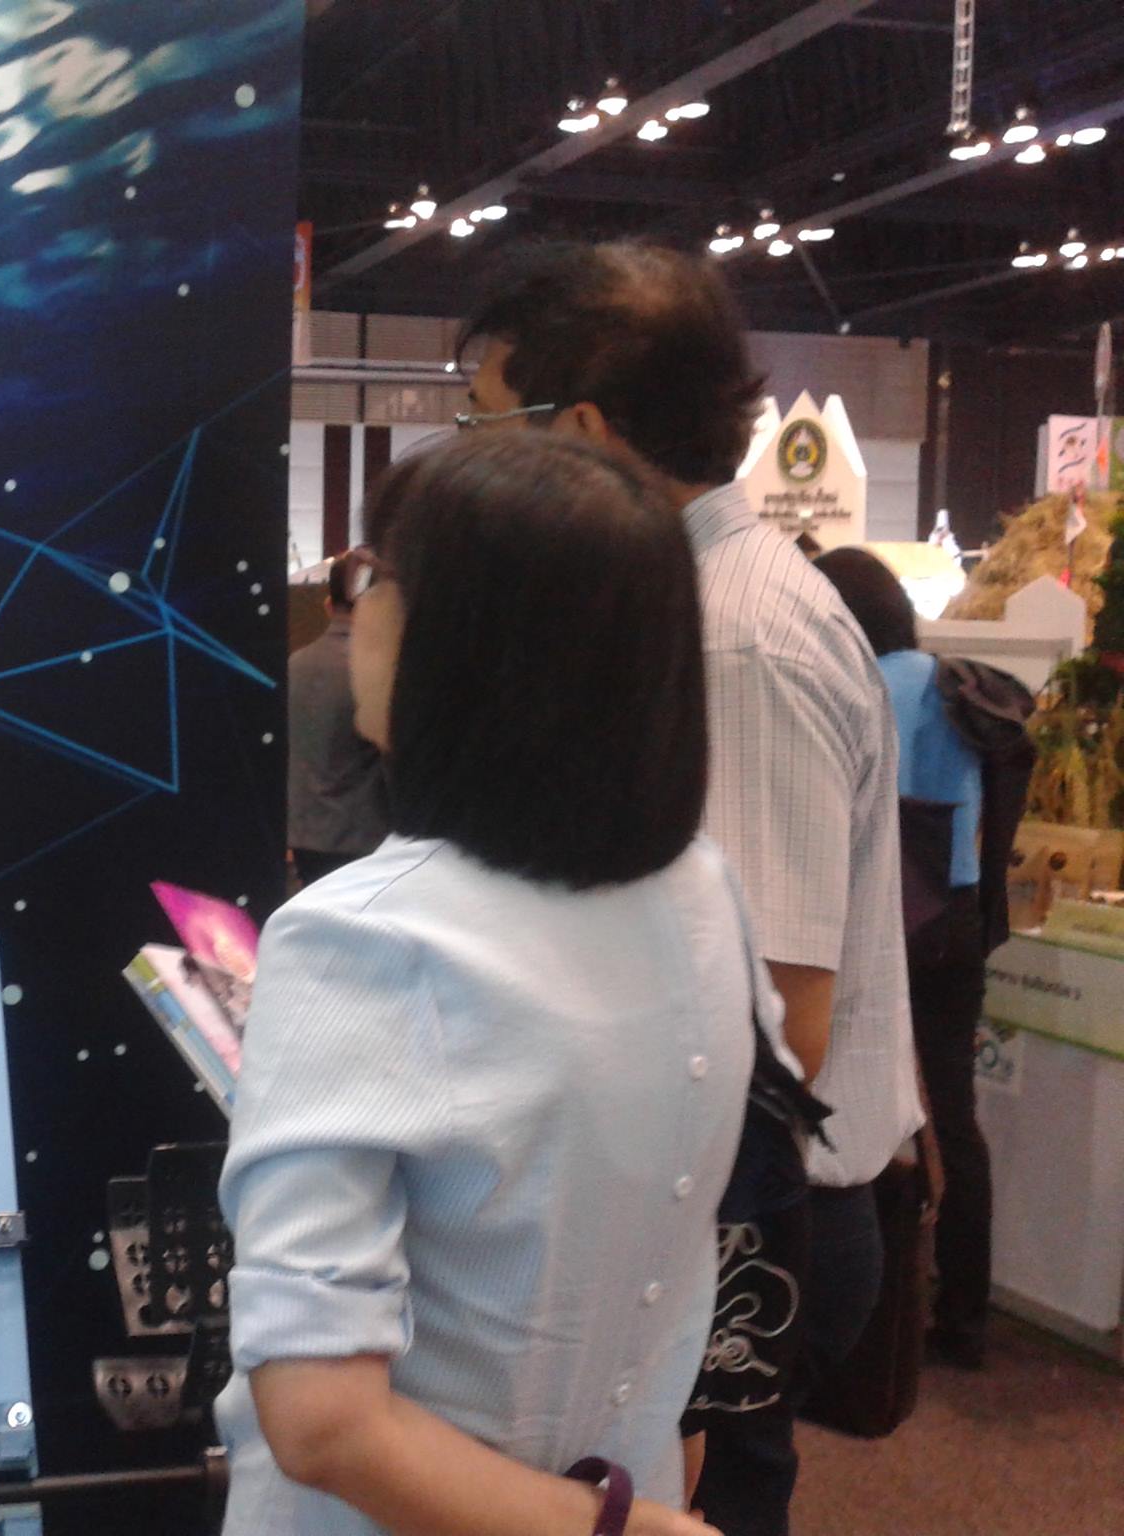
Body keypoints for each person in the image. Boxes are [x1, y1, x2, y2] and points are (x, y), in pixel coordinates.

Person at [220, 431, 768, 1536]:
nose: (356, 608)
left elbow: (321, 1422)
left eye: (372, 577)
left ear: (460, 639)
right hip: (618, 1478)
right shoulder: (700, 887)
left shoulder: (364, 936)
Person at [458, 241, 921, 1536]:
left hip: (740, 1217)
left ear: (583, 434)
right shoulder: (685, 606)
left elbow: (773, 1025)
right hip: (705, 1207)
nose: (474, 462)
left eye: (489, 426)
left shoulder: (729, 638)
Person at [815, 547, 1035, 1372]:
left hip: (882, 919)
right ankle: (963, 1317)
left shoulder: (855, 684)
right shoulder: (949, 684)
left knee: (854, 1102)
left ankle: (868, 1310)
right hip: (958, 920)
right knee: (952, 1115)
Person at [287, 552, 390, 885]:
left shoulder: (293, 665)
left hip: (304, 838)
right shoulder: (382, 673)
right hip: (365, 842)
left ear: (328, 605)